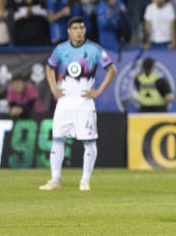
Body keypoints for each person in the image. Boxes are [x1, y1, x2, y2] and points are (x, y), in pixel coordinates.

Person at [39, 16, 118, 192]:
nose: (79, 31)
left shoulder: (94, 49)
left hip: (84, 103)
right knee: (57, 139)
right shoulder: (61, 49)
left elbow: (112, 70)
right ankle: (55, 180)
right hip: (64, 102)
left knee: (89, 142)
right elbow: (49, 66)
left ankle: (85, 180)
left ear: (85, 30)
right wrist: (53, 87)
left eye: (81, 28)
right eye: (75, 28)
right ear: (69, 31)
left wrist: (98, 91)